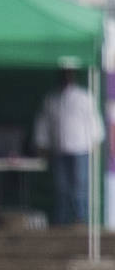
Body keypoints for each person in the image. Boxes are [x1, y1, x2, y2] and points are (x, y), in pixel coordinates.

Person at [34, 66, 104, 226]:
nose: (66, 77)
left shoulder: (84, 97)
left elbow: (93, 121)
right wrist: (42, 144)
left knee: (80, 186)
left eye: (69, 74)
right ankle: (62, 220)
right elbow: (44, 123)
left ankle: (80, 219)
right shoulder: (52, 99)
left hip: (81, 148)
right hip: (59, 149)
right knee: (61, 187)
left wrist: (95, 142)